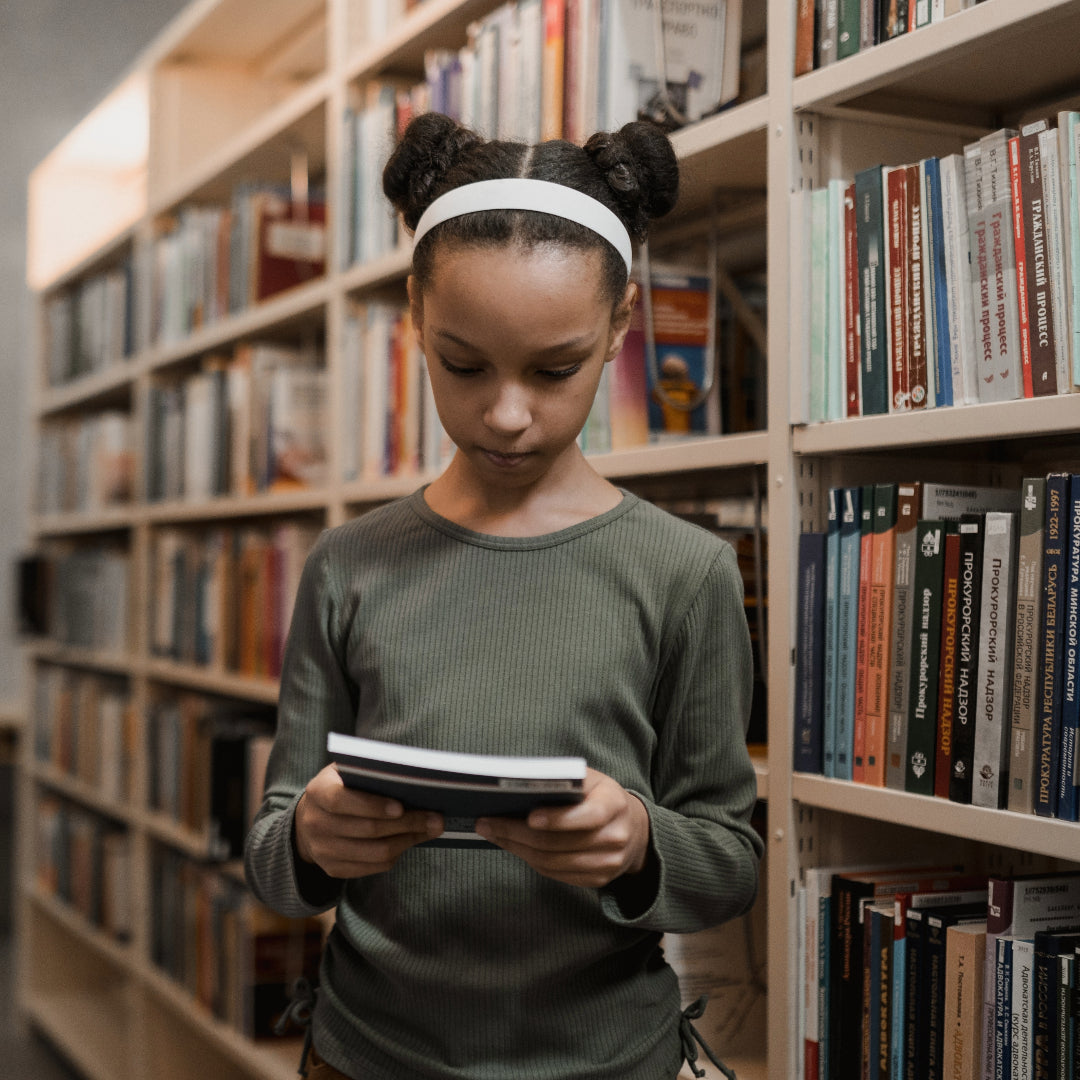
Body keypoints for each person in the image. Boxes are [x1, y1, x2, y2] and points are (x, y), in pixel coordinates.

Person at [244, 111, 763, 1080]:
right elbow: (271, 855)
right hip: (366, 1056)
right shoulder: (347, 567)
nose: (508, 414)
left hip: (605, 1061)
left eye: (554, 369)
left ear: (620, 325)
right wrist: (312, 836)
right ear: (414, 317)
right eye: (464, 364)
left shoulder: (686, 572)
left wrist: (640, 841)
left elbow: (730, 862)